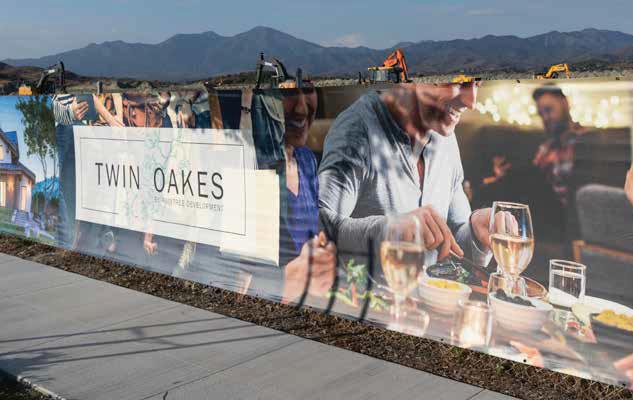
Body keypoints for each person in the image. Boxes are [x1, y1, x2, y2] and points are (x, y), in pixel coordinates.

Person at [318, 82, 494, 268]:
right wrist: (390, 231)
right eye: (460, 81)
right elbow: (318, 229)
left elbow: (457, 245)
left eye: (477, 82)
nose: (471, 102)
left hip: (425, 287)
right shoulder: (357, 127)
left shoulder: (445, 135)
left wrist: (477, 230)